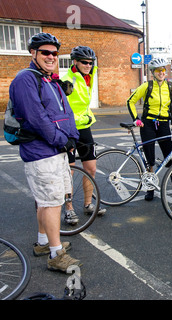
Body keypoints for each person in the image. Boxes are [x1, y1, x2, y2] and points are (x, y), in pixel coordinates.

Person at [9, 32, 81, 272]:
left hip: (56, 150)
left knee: (48, 200)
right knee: (51, 202)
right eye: (45, 52)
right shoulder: (25, 79)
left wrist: (73, 138)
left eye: (54, 53)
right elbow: (36, 118)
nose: (51, 56)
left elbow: (66, 112)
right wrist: (62, 140)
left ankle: (43, 243)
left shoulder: (50, 79)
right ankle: (55, 254)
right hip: (41, 152)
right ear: (33, 54)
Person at [127, 58, 172, 201]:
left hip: (163, 124)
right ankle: (150, 186)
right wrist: (135, 119)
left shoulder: (170, 87)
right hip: (148, 124)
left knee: (170, 155)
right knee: (150, 157)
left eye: (163, 70)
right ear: (152, 73)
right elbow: (130, 101)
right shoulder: (147, 86)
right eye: (158, 70)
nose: (161, 72)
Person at [62, 46, 106, 218]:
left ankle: (88, 204)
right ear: (75, 62)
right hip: (69, 129)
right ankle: (69, 209)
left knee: (91, 168)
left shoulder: (89, 75)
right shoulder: (68, 80)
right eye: (84, 62)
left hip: (84, 127)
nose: (88, 65)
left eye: (90, 62)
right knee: (69, 172)